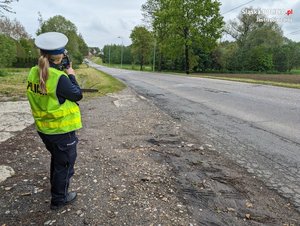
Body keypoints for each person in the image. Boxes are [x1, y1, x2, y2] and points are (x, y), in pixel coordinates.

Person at [26, 32, 83, 210]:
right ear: (59, 56)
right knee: (65, 164)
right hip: (61, 131)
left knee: (57, 160)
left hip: (44, 129)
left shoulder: (35, 71)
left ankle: (56, 187)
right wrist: (71, 74)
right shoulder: (60, 78)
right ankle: (59, 199)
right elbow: (77, 94)